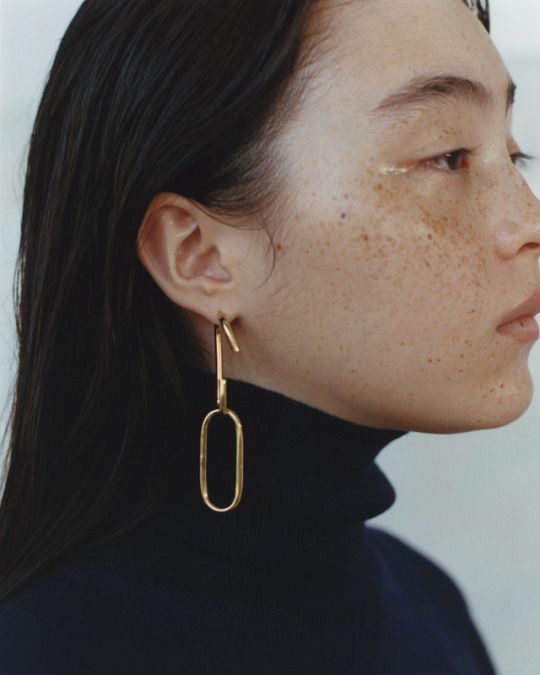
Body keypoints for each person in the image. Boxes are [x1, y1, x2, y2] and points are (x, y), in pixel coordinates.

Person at [1, 0, 539, 673]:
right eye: (448, 154)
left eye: (515, 153)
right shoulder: (41, 648)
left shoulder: (428, 608)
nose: (527, 219)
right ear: (199, 255)